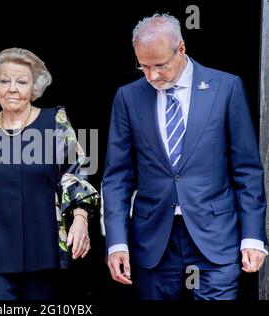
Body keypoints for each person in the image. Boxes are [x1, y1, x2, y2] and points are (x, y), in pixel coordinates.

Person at [102, 13, 267, 300]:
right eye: (143, 66)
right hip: (153, 243)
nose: (152, 75)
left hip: (215, 238)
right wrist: (117, 243)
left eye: (161, 66)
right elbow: (117, 176)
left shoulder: (226, 87)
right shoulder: (127, 97)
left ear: (181, 48)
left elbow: (247, 169)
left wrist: (253, 236)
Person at [0, 48, 98, 300]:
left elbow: (76, 172)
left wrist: (80, 219)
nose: (12, 88)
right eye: (5, 81)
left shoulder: (54, 121)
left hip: (44, 252)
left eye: (21, 82)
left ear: (34, 87)